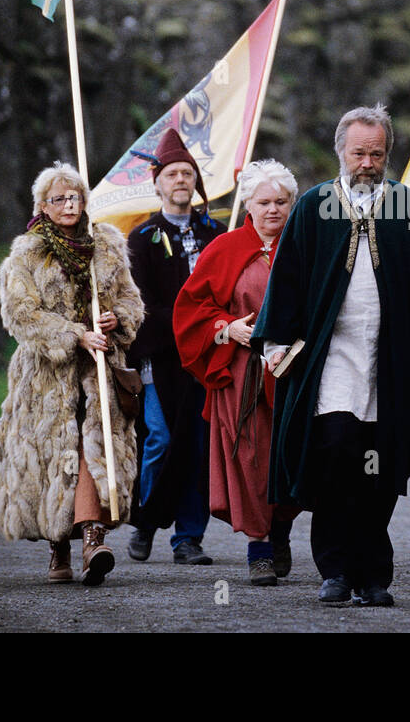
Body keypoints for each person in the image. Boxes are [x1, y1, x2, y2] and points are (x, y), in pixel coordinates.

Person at [252, 104, 410, 607]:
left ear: (387, 155)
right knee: (336, 453)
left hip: (393, 361)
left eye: (377, 153)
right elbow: (286, 280)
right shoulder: (312, 207)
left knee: (380, 463)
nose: (368, 162)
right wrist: (275, 342)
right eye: (359, 153)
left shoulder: (409, 208)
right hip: (331, 359)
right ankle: (334, 570)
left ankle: (373, 575)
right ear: (341, 152)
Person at [0, 161, 144, 587]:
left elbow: (131, 301)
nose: (69, 204)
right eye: (60, 198)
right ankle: (59, 546)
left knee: (97, 446)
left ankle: (93, 539)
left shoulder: (105, 244)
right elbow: (19, 314)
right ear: (43, 205)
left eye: (75, 197)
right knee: (57, 453)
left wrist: (115, 320)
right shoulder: (28, 252)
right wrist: (75, 335)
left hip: (99, 373)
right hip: (46, 378)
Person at [172, 159, 302, 586]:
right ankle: (260, 548)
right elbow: (191, 309)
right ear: (248, 202)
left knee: (292, 456)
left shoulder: (307, 246)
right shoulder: (224, 249)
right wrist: (225, 328)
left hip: (296, 370)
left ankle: (280, 525)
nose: (273, 210)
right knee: (249, 456)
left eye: (282, 201)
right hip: (241, 375)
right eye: (264, 201)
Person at [126, 128, 226, 566]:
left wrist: (212, 327)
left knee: (200, 447)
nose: (180, 180)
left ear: (196, 181)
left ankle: (188, 537)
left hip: (209, 357)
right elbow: (138, 302)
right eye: (172, 174)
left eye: (187, 173)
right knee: (161, 441)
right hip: (161, 359)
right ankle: (146, 520)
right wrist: (185, 324)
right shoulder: (142, 238)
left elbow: (227, 292)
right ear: (158, 182)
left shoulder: (217, 234)